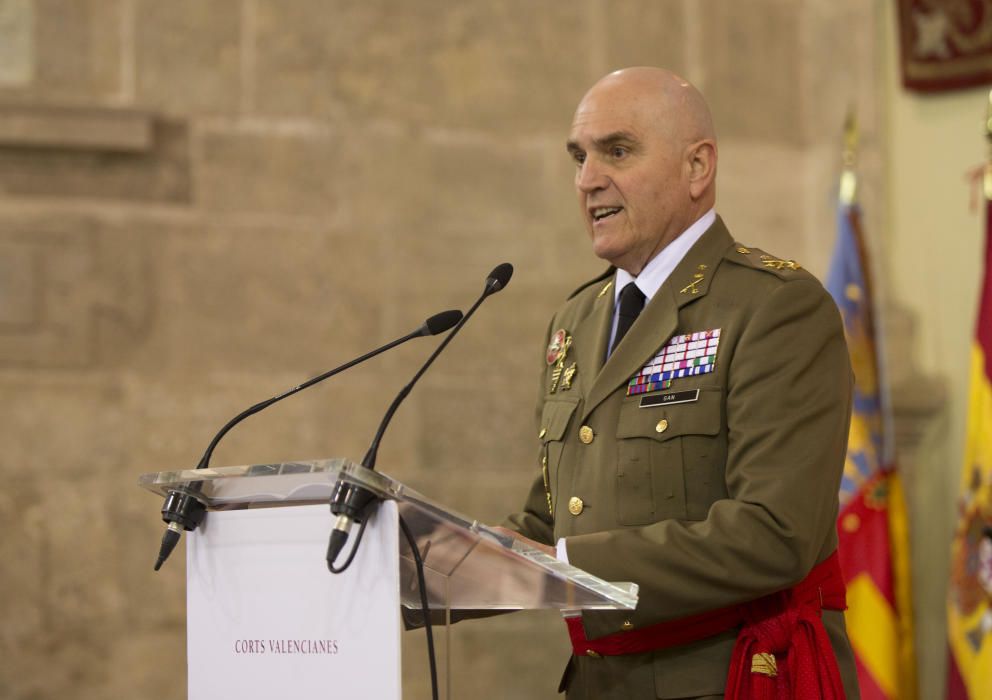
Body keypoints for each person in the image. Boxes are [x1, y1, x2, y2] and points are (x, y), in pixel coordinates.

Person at [498, 67, 860, 699]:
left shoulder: (774, 307)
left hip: (730, 680)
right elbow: (554, 515)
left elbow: (775, 533)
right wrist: (428, 563)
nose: (587, 180)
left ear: (698, 168)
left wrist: (570, 571)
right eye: (579, 157)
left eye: (617, 151)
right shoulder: (577, 321)